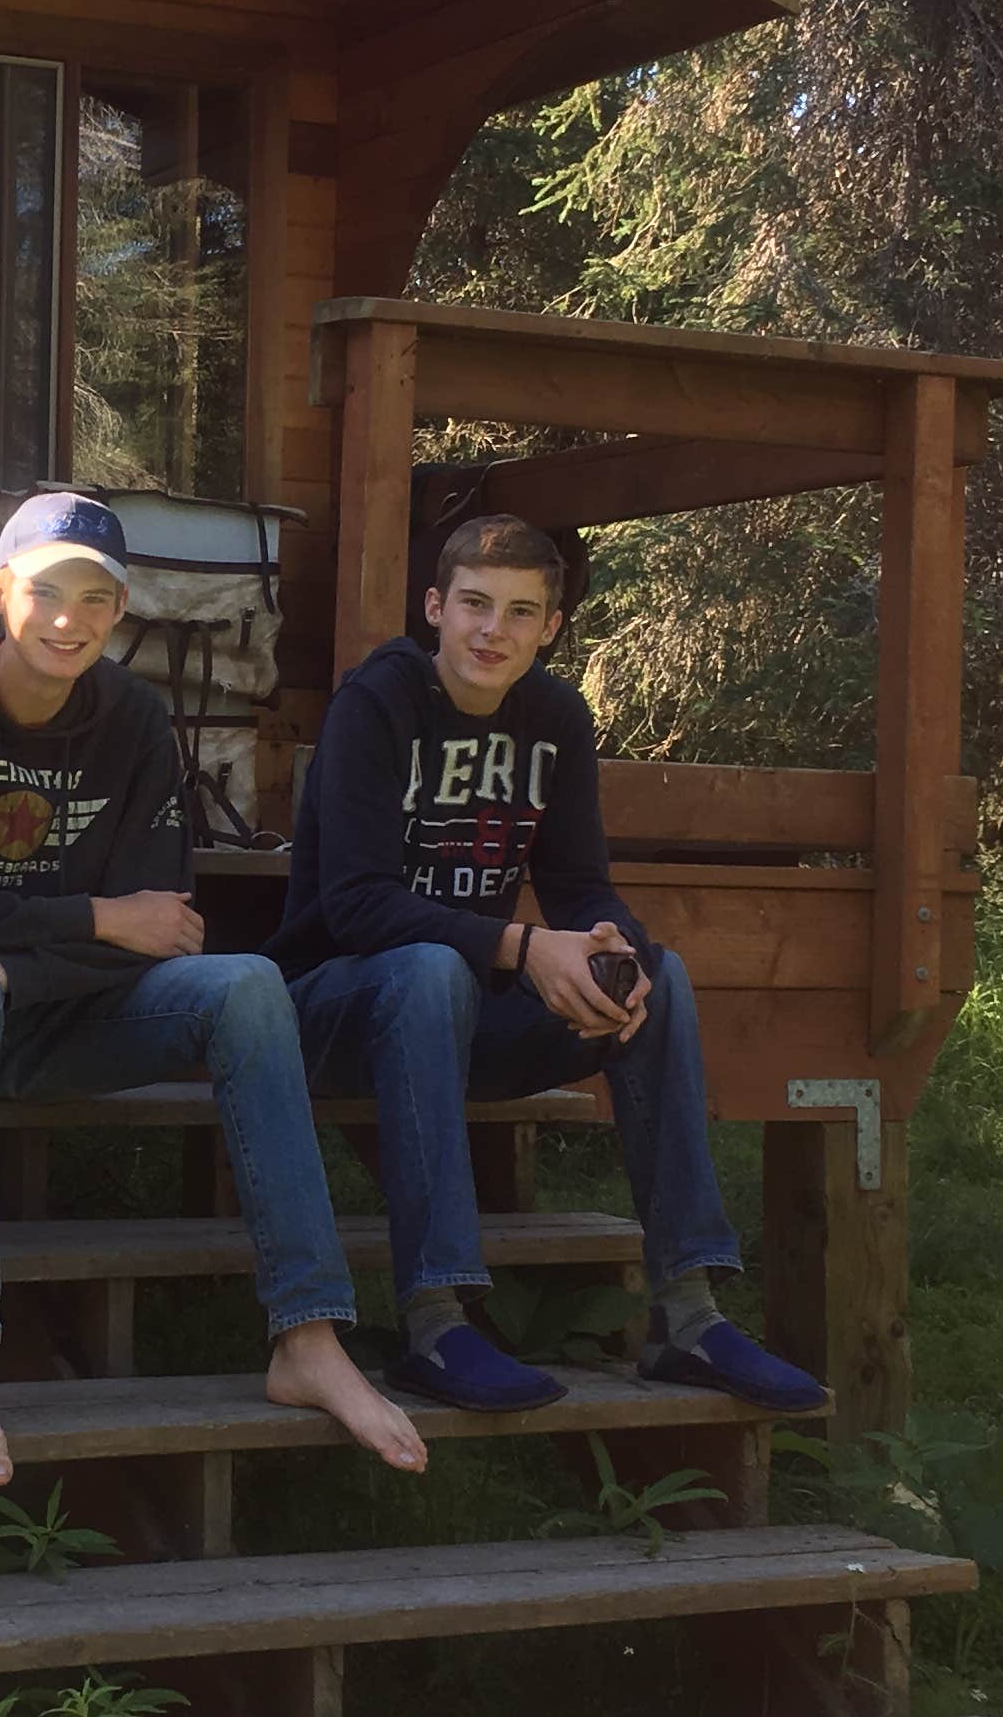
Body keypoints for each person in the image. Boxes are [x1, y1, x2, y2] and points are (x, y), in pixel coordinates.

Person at [0, 489, 428, 1492]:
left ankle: (309, 1337)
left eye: (97, 599)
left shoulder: (136, 719)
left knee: (244, 987)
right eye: (48, 591)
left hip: (55, 1019)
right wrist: (92, 919)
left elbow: (166, 929)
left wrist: (12, 943)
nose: (70, 619)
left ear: (119, 610)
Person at [268, 511, 828, 1417]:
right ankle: (436, 1320)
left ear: (551, 626)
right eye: (476, 606)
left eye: (521, 612)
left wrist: (615, 951)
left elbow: (578, 886)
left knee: (664, 975)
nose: (494, 631)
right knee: (427, 969)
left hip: (456, 1019)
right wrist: (524, 948)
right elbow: (357, 905)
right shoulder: (376, 704)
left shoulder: (556, 718)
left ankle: (687, 1315)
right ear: (434, 607)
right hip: (332, 1015)